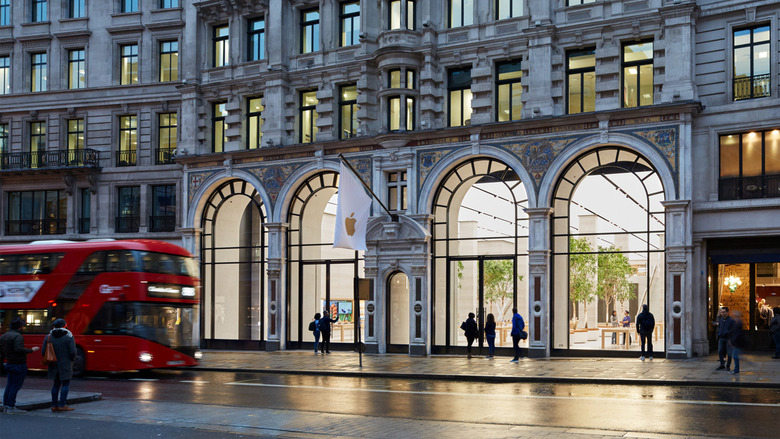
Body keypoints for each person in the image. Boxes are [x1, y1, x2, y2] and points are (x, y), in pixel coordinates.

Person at [0, 317, 40, 413]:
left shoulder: (4, 335)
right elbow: (18, 349)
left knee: (9, 385)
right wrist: (31, 350)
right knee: (15, 386)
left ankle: (6, 405)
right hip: (18, 363)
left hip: (9, 362)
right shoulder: (18, 336)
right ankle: (10, 406)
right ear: (20, 327)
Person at [43, 319, 77, 412]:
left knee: (55, 385)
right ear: (64, 326)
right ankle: (62, 404)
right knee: (65, 384)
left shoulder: (49, 336)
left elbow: (43, 351)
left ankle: (54, 405)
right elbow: (73, 351)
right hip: (66, 364)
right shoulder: (69, 336)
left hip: (53, 364)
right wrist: (72, 360)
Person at [714, 306, 735, 370]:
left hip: (728, 338)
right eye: (721, 312)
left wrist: (729, 334)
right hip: (721, 338)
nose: (722, 313)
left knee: (729, 352)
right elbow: (719, 327)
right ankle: (722, 364)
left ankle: (728, 366)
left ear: (727, 312)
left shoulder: (731, 320)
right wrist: (719, 332)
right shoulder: (721, 319)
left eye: (724, 312)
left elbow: (734, 329)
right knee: (720, 351)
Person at [728, 310, 746, 375]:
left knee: (735, 356)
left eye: (734, 315)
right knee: (735, 355)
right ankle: (736, 369)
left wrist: (733, 342)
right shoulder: (737, 322)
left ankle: (736, 370)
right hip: (736, 342)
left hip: (737, 343)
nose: (733, 316)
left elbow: (737, 334)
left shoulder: (739, 322)